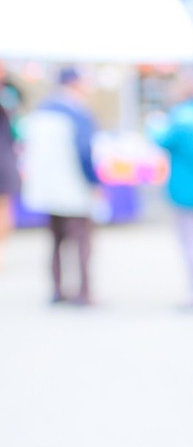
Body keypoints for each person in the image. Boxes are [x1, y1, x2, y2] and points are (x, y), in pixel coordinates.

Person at [19, 66, 100, 304]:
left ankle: (57, 290)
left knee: (56, 241)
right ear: (75, 83)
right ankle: (84, 293)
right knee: (81, 242)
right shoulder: (78, 113)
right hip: (73, 188)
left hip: (47, 189)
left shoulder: (40, 110)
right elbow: (85, 153)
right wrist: (93, 182)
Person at [149, 72, 193, 308]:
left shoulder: (179, 119)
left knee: (191, 241)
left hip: (183, 190)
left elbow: (161, 140)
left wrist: (154, 122)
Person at [0, 65, 22, 263]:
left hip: (4, 157)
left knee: (4, 206)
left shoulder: (7, 94)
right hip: (5, 156)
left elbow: (16, 129)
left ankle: (2, 252)